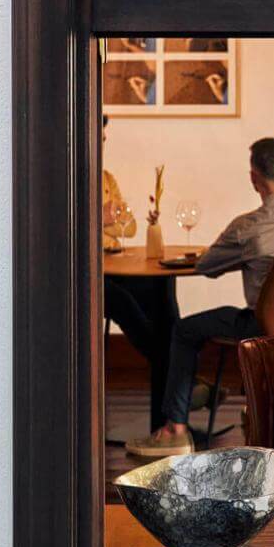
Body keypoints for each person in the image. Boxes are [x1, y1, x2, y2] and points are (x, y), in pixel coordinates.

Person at [126, 138, 274, 457]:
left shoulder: (248, 228)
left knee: (183, 331)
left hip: (266, 331)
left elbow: (208, 266)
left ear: (254, 179)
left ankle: (175, 430)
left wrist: (246, 257)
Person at [102, 115, 179, 438]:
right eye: (99, 136)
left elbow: (129, 225)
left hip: (113, 263)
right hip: (88, 277)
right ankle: (180, 379)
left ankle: (168, 414)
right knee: (127, 307)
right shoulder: (70, 176)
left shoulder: (106, 176)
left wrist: (107, 216)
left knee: (162, 293)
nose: (102, 143)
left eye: (104, 138)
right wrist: (104, 215)